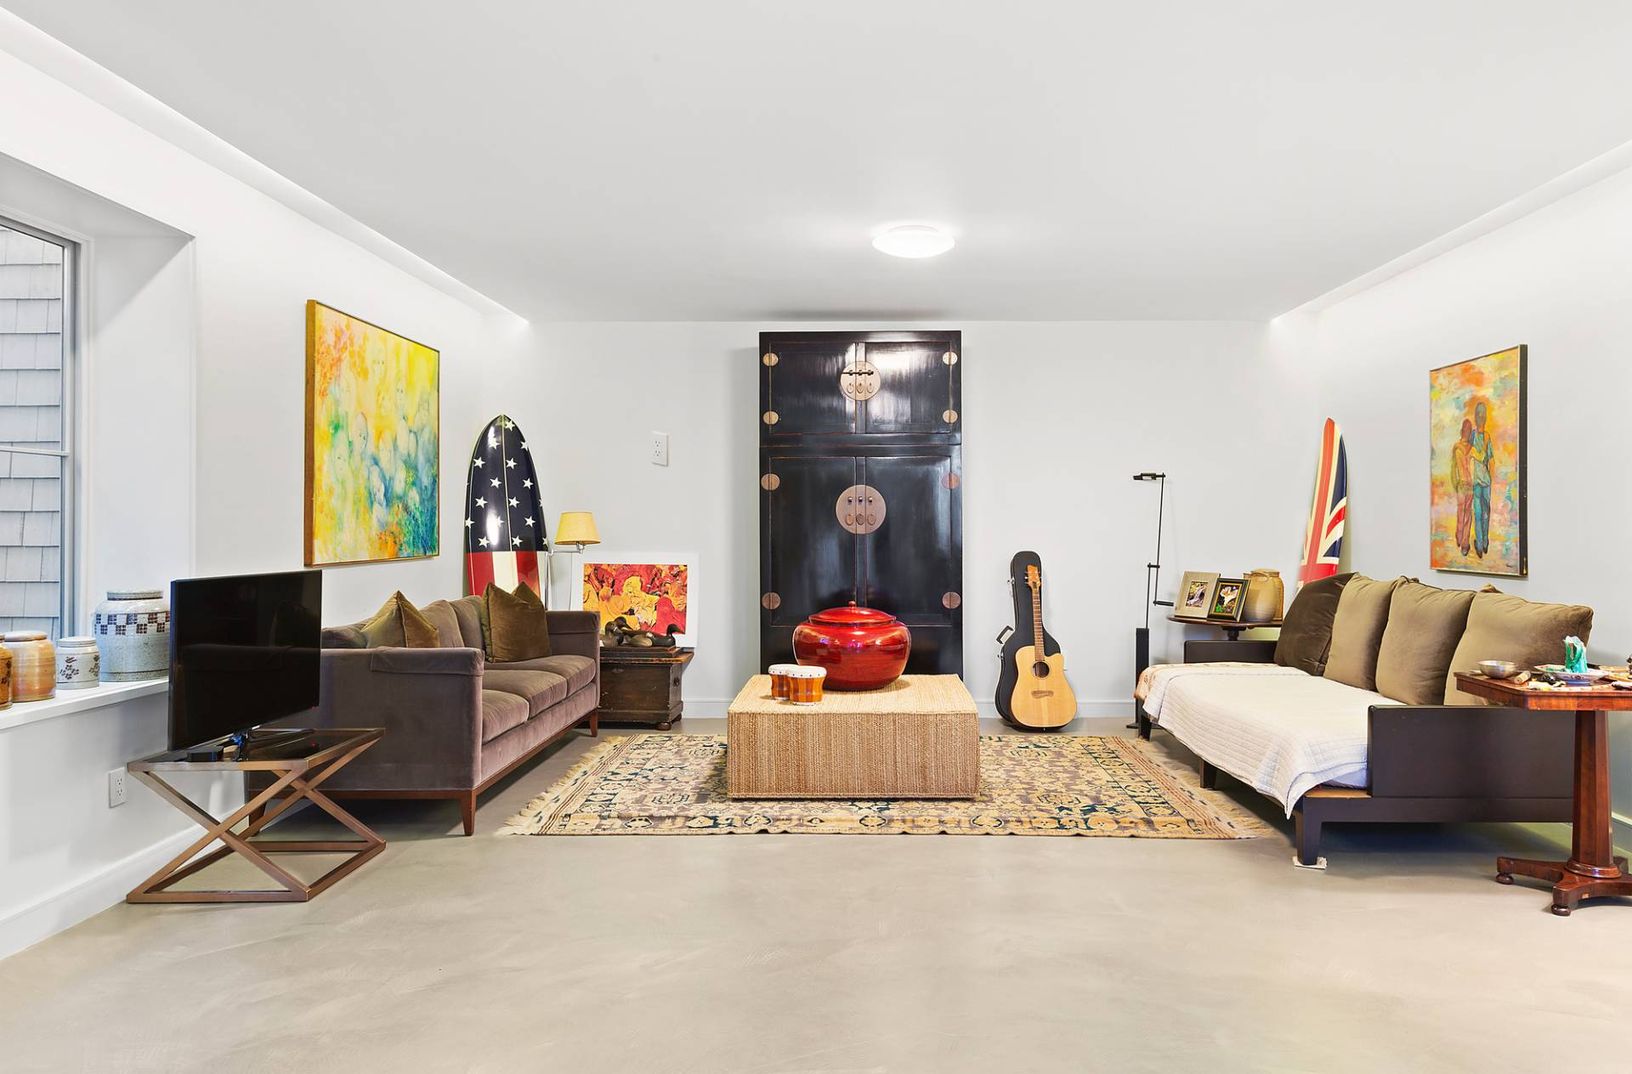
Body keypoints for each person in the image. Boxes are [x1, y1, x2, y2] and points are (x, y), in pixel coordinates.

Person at [1469, 401, 1494, 558]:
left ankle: (1480, 545)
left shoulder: (1473, 435)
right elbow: (1490, 459)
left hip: (1478, 481)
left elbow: (1469, 454)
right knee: (1484, 513)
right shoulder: (1486, 437)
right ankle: (1483, 543)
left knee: (1479, 514)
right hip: (1484, 481)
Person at [1451, 417, 1474, 556]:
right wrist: (1455, 482)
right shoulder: (1461, 447)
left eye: (1468, 430)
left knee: (1465, 513)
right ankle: (1461, 539)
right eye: (1467, 430)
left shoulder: (1466, 448)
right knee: (1464, 513)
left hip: (1467, 484)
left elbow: (1454, 468)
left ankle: (1463, 541)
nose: (1467, 432)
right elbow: (1453, 467)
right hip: (1464, 484)